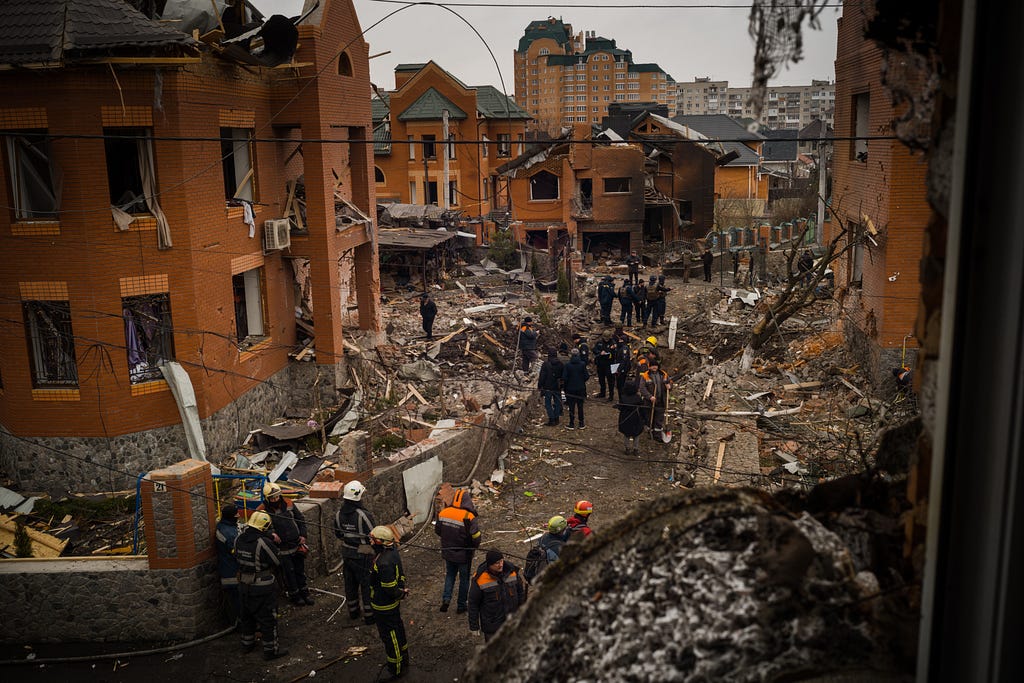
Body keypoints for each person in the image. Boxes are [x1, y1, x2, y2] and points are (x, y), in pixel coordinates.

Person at [234, 510, 287, 660]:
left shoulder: (238, 539)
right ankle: (271, 650)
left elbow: (236, 557)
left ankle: (247, 644)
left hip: (243, 585)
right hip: (262, 588)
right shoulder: (263, 543)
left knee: (247, 617)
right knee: (268, 619)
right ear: (264, 527)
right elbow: (277, 561)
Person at [258, 482, 312, 606]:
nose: (275, 499)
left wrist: (303, 535)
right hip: (282, 548)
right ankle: (295, 596)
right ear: (267, 498)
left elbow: (300, 519)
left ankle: (305, 593)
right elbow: (258, 529)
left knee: (300, 571)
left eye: (277, 497)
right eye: (272, 498)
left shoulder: (288, 503)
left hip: (296, 543)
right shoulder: (262, 510)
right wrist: (271, 535)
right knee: (289, 573)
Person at [369, 525, 409, 679]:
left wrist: (400, 593)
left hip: (384, 606)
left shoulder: (383, 563)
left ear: (380, 542)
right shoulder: (392, 552)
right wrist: (402, 591)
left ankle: (396, 668)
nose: (371, 542)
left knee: (390, 636)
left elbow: (389, 588)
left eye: (373, 539)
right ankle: (404, 659)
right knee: (398, 630)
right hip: (390, 604)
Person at [334, 480, 376, 624]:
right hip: (363, 554)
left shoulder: (338, 514)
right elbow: (374, 535)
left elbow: (338, 534)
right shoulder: (363, 515)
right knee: (366, 583)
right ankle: (369, 615)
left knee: (350, 584)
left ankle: (353, 611)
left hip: (347, 553)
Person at [435, 488, 482, 614]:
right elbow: (476, 537)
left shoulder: (444, 512)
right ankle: (461, 605)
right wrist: (474, 547)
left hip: (448, 552)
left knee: (450, 575)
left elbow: (438, 530)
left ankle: (446, 599)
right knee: (464, 579)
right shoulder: (469, 516)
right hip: (464, 555)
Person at [468, 549, 525, 643]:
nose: (501, 565)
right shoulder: (480, 579)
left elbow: (520, 593)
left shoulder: (512, 572)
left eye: (502, 561)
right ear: (490, 564)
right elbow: (473, 603)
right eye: (497, 563)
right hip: (493, 626)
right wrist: (474, 626)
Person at [215, 504, 241, 626]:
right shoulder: (228, 533)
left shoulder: (225, 527)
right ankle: (238, 623)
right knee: (236, 601)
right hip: (231, 573)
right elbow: (236, 552)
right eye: (237, 515)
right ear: (232, 517)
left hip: (230, 570)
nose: (239, 516)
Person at [639, 358, 672, 437]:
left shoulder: (663, 374)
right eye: (652, 366)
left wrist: (669, 386)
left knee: (659, 418)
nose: (654, 367)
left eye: (655, 366)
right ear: (649, 367)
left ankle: (657, 434)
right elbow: (642, 388)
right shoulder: (645, 376)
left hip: (661, 400)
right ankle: (649, 430)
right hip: (650, 401)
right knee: (649, 417)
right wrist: (649, 397)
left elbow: (670, 382)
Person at [562, 348, 589, 430]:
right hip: (581, 388)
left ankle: (571, 423)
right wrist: (581, 381)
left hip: (570, 389)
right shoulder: (582, 364)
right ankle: (581, 423)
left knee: (571, 406)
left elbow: (564, 377)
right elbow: (586, 376)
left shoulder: (567, 365)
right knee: (580, 406)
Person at [616, 380, 645, 455]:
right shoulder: (638, 398)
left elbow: (620, 408)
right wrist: (644, 419)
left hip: (625, 418)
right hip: (636, 419)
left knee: (626, 434)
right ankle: (636, 449)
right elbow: (642, 409)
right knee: (636, 435)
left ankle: (627, 448)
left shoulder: (623, 397)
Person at [537, 348, 564, 426]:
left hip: (547, 387)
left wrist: (540, 386)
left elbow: (542, 376)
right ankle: (556, 418)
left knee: (548, 403)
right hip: (557, 387)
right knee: (557, 402)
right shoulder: (561, 364)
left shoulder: (545, 364)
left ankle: (551, 419)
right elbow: (563, 376)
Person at [592, 330, 615, 402]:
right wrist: (599, 352)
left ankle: (611, 395)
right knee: (601, 379)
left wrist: (610, 350)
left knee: (610, 381)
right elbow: (594, 350)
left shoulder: (612, 343)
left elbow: (615, 352)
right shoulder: (599, 342)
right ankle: (602, 393)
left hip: (609, 364)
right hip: (600, 363)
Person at [612, 336, 633, 400]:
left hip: (622, 370)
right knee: (619, 386)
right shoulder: (620, 347)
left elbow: (624, 361)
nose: (619, 341)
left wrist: (619, 370)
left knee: (621, 386)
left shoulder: (624, 348)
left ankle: (622, 401)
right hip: (620, 368)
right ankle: (621, 400)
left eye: (620, 340)